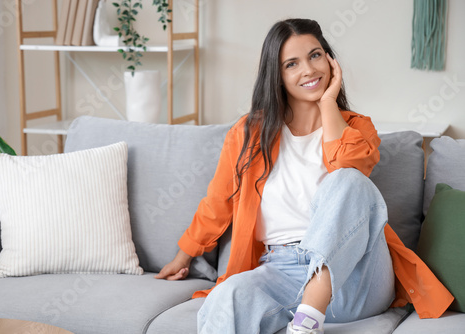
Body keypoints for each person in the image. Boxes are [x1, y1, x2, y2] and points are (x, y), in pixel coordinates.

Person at [155, 18, 453, 334]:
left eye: (315, 55)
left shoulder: (357, 128)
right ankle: (306, 315)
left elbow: (350, 168)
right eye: (292, 64)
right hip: (281, 270)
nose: (308, 70)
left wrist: (327, 102)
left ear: (329, 59)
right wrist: (182, 257)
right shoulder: (247, 134)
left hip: (357, 279)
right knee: (227, 297)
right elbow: (218, 203)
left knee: (348, 180)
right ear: (277, 76)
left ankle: (308, 320)